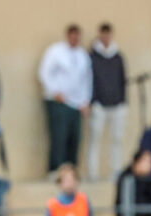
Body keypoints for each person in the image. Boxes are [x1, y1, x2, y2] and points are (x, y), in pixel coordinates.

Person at [39, 24, 92, 174]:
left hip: (76, 103)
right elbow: (44, 72)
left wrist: (85, 101)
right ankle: (55, 169)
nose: (75, 38)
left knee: (74, 137)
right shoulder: (56, 51)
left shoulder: (82, 55)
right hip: (59, 100)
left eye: (78, 36)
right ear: (68, 35)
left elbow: (87, 80)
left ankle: (71, 170)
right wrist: (53, 91)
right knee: (59, 136)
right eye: (72, 35)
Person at [87, 23, 127, 181]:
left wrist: (123, 101)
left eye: (108, 34)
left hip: (117, 104)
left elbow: (122, 80)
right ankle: (93, 173)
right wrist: (93, 100)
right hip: (99, 104)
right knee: (95, 139)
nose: (106, 38)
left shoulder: (118, 56)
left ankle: (116, 171)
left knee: (117, 139)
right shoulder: (92, 56)